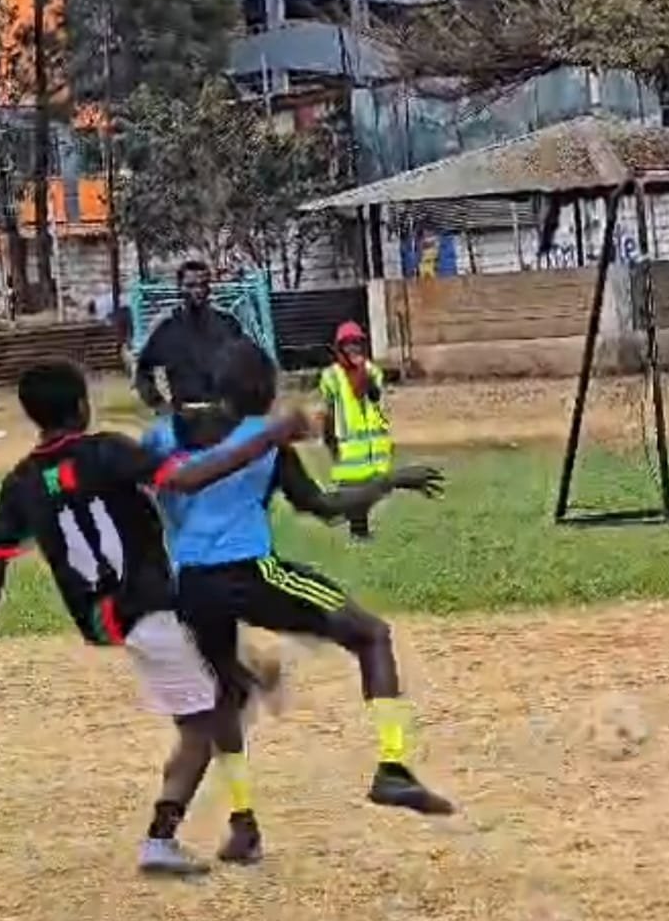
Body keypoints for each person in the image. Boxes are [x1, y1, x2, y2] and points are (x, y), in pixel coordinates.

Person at [0, 360, 309, 876]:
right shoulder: (107, 451)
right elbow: (188, 479)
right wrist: (269, 435)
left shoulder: (20, 484)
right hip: (148, 606)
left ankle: (244, 682)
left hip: (107, 616)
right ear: (81, 407)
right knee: (205, 719)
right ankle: (161, 838)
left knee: (214, 678)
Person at [142, 338, 454, 856]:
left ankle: (243, 827)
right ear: (265, 388)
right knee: (371, 635)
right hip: (249, 572)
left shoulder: (163, 437)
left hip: (190, 585)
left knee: (226, 698)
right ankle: (393, 767)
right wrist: (391, 480)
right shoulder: (266, 441)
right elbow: (324, 506)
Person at [135, 260, 245, 414]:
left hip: (223, 414)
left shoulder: (228, 324)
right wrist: (160, 406)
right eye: (191, 285)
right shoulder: (166, 327)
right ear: (179, 288)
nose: (198, 291)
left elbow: (246, 366)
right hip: (183, 414)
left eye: (203, 284)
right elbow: (143, 372)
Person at [317, 320, 392, 540]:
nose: (353, 349)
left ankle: (358, 526)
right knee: (352, 489)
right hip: (346, 443)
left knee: (371, 489)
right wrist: (328, 439)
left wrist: (365, 377)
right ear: (339, 348)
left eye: (356, 343)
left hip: (370, 444)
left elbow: (376, 397)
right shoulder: (331, 376)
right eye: (347, 344)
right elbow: (328, 409)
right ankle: (358, 530)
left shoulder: (372, 371)